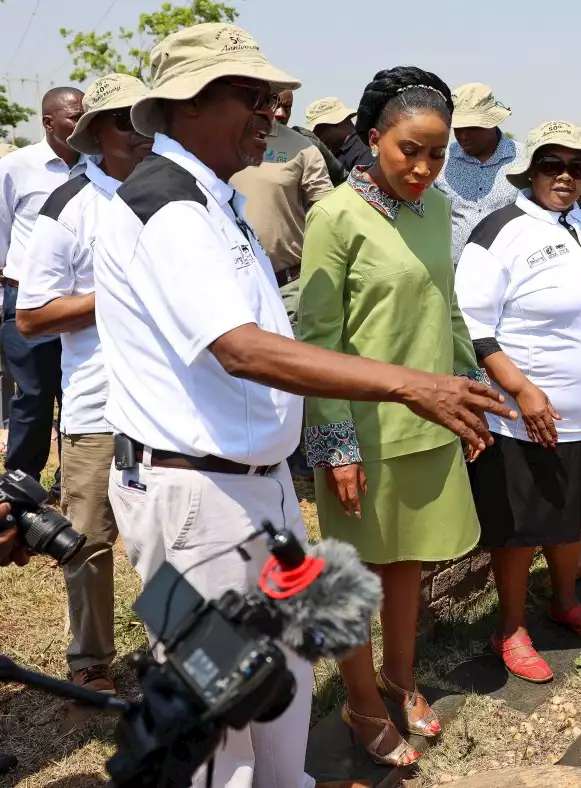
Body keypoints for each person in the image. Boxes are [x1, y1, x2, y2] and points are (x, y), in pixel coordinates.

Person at [94, 25, 513, 788]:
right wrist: (409, 385)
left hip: (258, 489)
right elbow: (243, 348)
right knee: (219, 706)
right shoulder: (166, 206)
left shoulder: (215, 202)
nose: (269, 112)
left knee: (283, 675)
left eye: (269, 99)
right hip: (196, 504)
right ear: (186, 104)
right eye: (249, 98)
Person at [298, 67, 481, 768]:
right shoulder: (335, 216)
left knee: (407, 564)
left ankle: (399, 682)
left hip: (429, 420)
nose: (424, 167)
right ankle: (361, 704)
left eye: (437, 154)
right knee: (353, 572)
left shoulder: (435, 209)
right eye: (410, 150)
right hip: (362, 430)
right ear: (374, 139)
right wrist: (336, 443)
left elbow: (448, 307)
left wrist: (465, 395)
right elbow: (318, 341)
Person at [457, 121, 581, 684]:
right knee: (521, 529)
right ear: (529, 170)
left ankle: (563, 602)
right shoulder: (501, 229)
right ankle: (509, 628)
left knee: (572, 520)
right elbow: (472, 323)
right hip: (526, 416)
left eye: (576, 167)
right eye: (551, 165)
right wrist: (522, 389)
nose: (565, 176)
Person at [14, 74, 150, 706]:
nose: (140, 129)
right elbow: (33, 316)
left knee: (167, 535)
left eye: (148, 116)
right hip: (99, 405)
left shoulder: (176, 195)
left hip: (168, 405)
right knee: (89, 537)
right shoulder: (68, 207)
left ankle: (171, 650)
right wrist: (118, 295)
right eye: (124, 120)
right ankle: (91, 660)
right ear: (96, 132)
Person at [0, 87, 85, 502]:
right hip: (26, 301)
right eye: (73, 117)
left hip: (82, 306)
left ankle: (69, 485)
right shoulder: (16, 167)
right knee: (33, 397)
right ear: (48, 122)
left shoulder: (98, 167)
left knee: (79, 395)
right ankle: (20, 490)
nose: (81, 123)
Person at [230, 102, 333, 328]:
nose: (278, 112)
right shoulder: (217, 142)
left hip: (287, 290)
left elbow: (327, 217)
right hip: (229, 290)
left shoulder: (302, 148)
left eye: (282, 103)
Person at [434, 83, 522, 265]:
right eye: (457, 128)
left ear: (492, 123)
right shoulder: (441, 161)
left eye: (472, 127)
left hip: (511, 268)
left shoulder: (524, 160)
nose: (463, 136)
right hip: (456, 270)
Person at [274, 88, 346, 187]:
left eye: (287, 107)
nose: (281, 114)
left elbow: (342, 179)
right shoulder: (246, 141)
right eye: (274, 105)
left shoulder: (307, 142)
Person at [307, 96, 373, 173]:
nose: (318, 138)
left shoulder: (362, 150)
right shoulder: (341, 152)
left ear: (338, 122)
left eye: (321, 131)